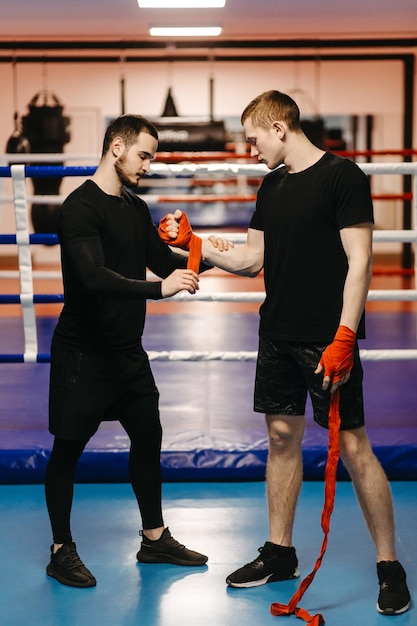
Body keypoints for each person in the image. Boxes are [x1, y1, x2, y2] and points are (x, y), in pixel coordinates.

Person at [165, 90, 411, 616]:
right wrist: (193, 242)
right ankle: (280, 552)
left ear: (279, 128)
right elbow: (253, 259)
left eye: (254, 138)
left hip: (327, 339)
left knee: (353, 446)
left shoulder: (344, 178)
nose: (251, 149)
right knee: (280, 438)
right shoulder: (272, 186)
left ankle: (389, 565)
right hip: (276, 332)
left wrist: (345, 334)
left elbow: (360, 260)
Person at [44, 114, 211, 589]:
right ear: (116, 147)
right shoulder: (80, 207)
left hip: (126, 352)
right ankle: (61, 550)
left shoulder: (134, 209)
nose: (147, 165)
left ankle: (154, 537)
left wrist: (202, 250)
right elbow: (94, 276)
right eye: (143, 155)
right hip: (83, 353)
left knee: (148, 437)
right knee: (67, 452)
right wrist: (160, 291)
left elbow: (163, 261)